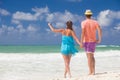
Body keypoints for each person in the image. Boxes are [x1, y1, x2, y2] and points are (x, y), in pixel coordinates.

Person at [81, 10, 102, 75]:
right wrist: (99, 39)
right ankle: (93, 71)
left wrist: (81, 42)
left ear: (85, 15)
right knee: (91, 56)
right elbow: (99, 30)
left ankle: (91, 72)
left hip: (87, 41)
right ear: (91, 15)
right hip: (93, 41)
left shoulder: (83, 22)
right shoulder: (95, 22)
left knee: (89, 57)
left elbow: (83, 32)